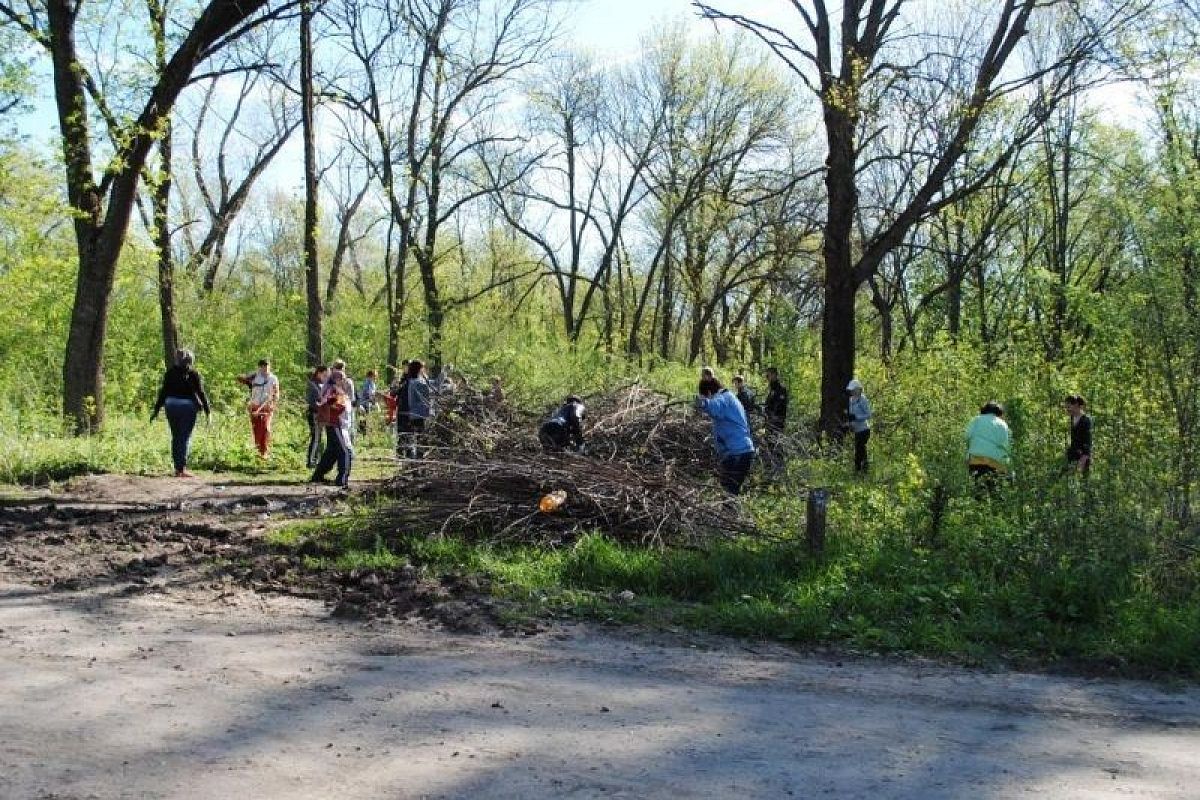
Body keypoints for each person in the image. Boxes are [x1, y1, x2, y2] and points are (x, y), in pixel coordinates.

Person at [150, 349, 211, 477]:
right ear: (191, 361)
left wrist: (156, 410)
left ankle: (177, 468)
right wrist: (207, 411)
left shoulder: (170, 373)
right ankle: (181, 469)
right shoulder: (193, 374)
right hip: (188, 407)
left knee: (176, 436)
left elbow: (163, 392)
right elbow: (201, 392)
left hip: (170, 405)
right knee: (184, 437)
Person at [695, 377, 756, 495]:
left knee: (729, 493)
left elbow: (715, 407)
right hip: (741, 451)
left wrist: (703, 403)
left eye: (706, 396)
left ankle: (730, 513)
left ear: (708, 393)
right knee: (730, 492)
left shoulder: (723, 398)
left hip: (737, 453)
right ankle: (731, 512)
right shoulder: (730, 397)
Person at [310, 378, 353, 488]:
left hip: (339, 427)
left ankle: (318, 475)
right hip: (337, 427)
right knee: (345, 452)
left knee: (331, 452)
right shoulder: (335, 393)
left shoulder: (341, 394)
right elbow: (330, 405)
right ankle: (342, 479)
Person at [965, 401, 1011, 493]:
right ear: (999, 412)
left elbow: (966, 437)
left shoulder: (976, 420)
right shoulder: (1003, 424)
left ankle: (978, 505)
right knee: (995, 491)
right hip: (995, 462)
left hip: (976, 459)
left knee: (978, 490)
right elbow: (1005, 445)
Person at [238, 359, 279, 458]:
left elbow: (276, 393)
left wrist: (273, 401)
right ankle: (258, 453)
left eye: (267, 366)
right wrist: (248, 377)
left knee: (266, 429)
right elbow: (240, 379)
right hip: (255, 407)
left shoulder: (273, 378)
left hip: (267, 408)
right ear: (259, 367)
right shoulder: (255, 377)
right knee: (257, 430)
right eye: (263, 366)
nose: (265, 368)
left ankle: (264, 452)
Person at [404, 360, 434, 458]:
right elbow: (433, 388)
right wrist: (444, 373)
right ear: (419, 369)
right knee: (421, 442)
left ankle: (416, 463)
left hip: (414, 415)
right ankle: (418, 465)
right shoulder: (417, 382)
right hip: (419, 416)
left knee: (418, 441)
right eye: (423, 368)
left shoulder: (412, 381)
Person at [846, 378, 873, 473]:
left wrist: (857, 417)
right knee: (861, 450)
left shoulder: (863, 400)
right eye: (851, 390)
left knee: (859, 450)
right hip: (856, 430)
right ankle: (864, 470)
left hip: (864, 430)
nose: (852, 391)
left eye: (854, 389)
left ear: (859, 389)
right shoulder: (850, 400)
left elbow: (869, 414)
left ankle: (858, 471)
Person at [305, 365, 329, 469]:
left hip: (321, 414)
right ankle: (311, 461)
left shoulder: (323, 384)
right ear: (319, 373)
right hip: (314, 413)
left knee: (320, 438)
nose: (326, 376)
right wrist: (320, 406)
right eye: (324, 374)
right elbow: (311, 401)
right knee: (315, 438)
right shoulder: (312, 384)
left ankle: (319, 460)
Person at [1065, 394, 1092, 474]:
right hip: (1072, 454)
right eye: (1066, 407)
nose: (1067, 409)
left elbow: (1088, 442)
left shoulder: (1086, 421)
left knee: (1082, 481)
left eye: (1069, 407)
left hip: (1082, 457)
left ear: (1076, 405)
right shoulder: (1072, 418)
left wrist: (1084, 458)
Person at [763, 367, 788, 432]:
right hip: (769, 421)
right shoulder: (772, 389)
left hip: (777, 422)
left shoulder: (781, 389)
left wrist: (773, 416)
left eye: (768, 375)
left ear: (774, 375)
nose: (767, 377)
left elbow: (780, 405)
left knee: (775, 441)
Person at [357, 369, 378, 436]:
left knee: (364, 418)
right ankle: (365, 433)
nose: (376, 377)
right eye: (375, 376)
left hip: (365, 402)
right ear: (371, 376)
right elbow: (369, 393)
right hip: (366, 402)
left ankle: (364, 432)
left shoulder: (368, 382)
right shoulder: (369, 382)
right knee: (366, 418)